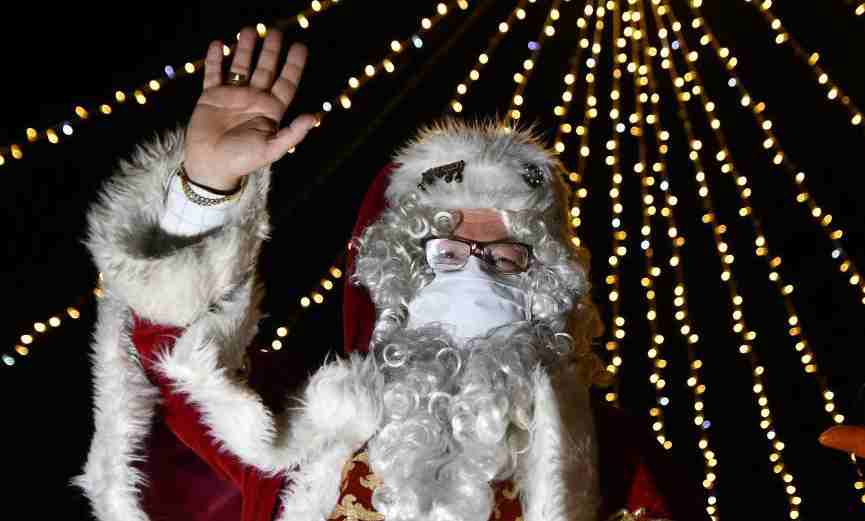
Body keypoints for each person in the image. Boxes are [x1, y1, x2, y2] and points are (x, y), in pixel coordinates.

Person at [73, 27, 706, 521]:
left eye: (507, 256)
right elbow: (176, 357)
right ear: (400, 279)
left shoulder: (621, 466)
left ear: (550, 290)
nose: (476, 277)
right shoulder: (308, 429)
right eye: (446, 252)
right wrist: (206, 187)